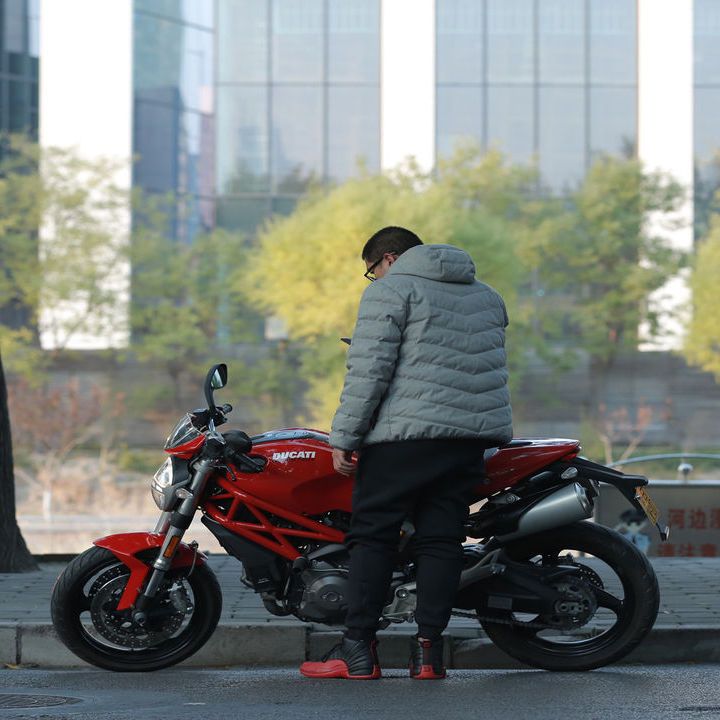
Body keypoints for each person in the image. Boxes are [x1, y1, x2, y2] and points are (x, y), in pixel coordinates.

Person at [299, 226, 513, 680]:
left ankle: (358, 651)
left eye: (372, 270)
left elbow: (369, 371)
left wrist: (345, 437)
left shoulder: (391, 291)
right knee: (441, 541)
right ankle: (428, 655)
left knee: (372, 537)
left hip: (405, 439)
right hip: (468, 440)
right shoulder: (487, 296)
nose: (374, 279)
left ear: (390, 259)